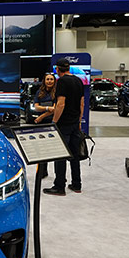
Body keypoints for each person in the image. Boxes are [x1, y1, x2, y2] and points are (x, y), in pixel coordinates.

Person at [44, 59, 85, 196]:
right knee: (74, 156)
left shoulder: (62, 81)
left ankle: (59, 186)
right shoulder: (78, 81)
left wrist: (54, 121)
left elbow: (61, 104)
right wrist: (78, 121)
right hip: (74, 124)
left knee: (60, 156)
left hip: (63, 124)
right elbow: (82, 104)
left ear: (57, 69)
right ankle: (76, 184)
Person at [32, 73, 57, 178]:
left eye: (51, 79)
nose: (50, 81)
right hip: (40, 124)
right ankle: (42, 171)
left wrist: (41, 116)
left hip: (52, 123)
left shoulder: (57, 93)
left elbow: (55, 109)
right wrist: (47, 108)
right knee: (41, 148)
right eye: (48, 79)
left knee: (52, 149)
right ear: (44, 81)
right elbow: (36, 107)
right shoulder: (39, 92)